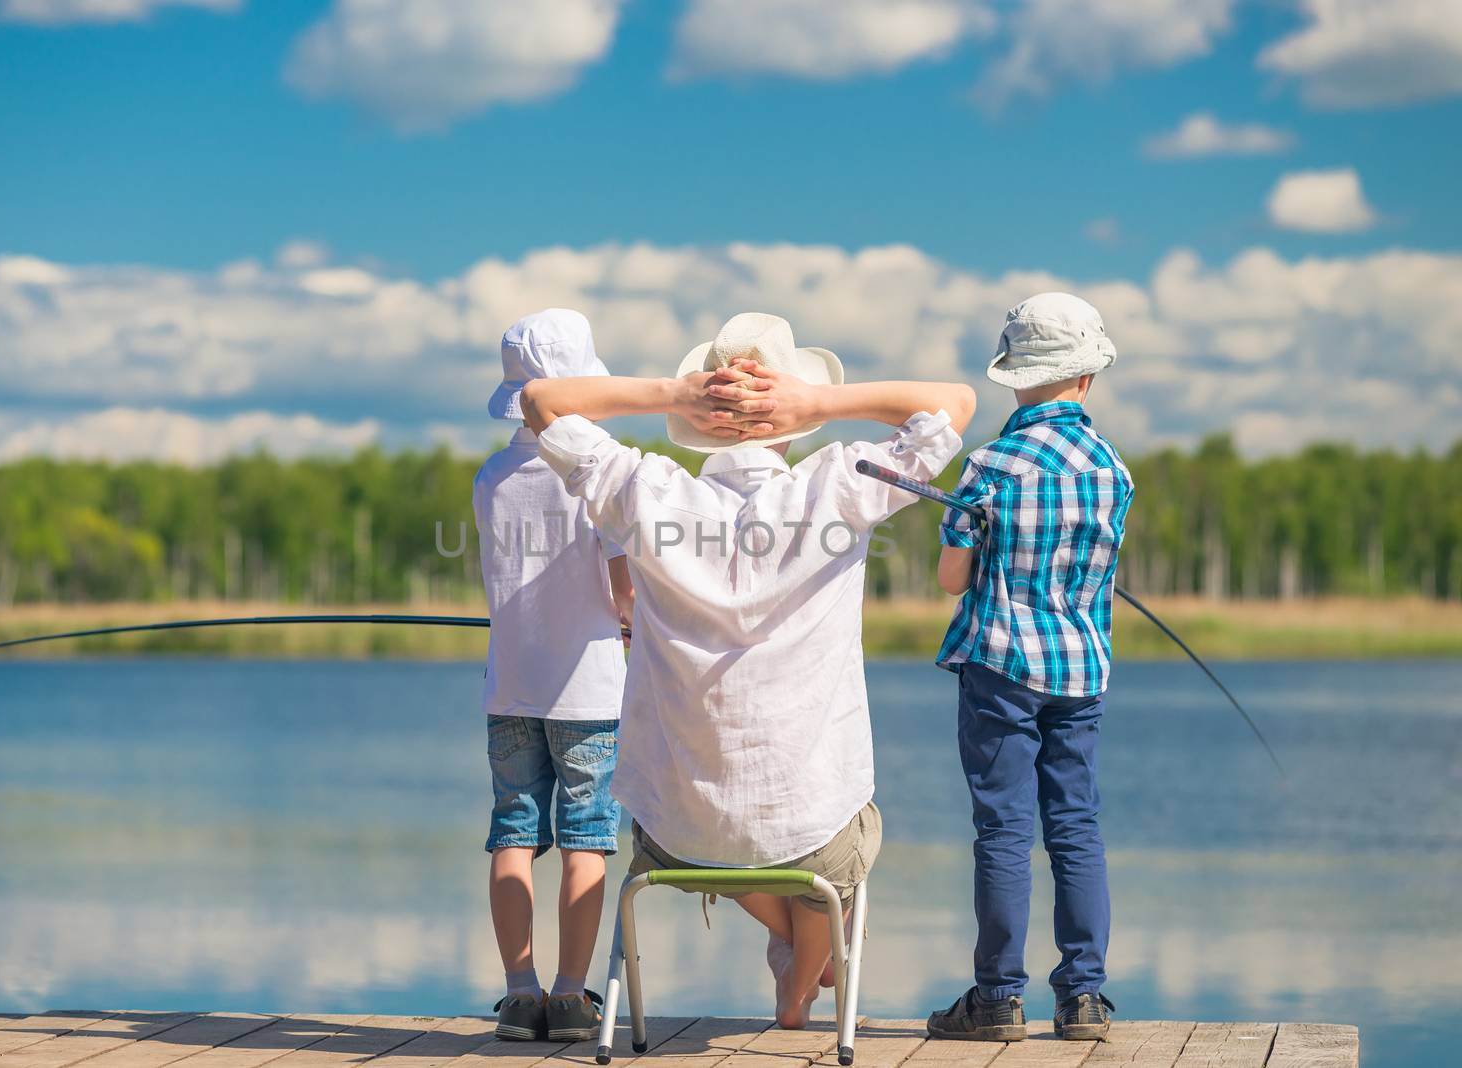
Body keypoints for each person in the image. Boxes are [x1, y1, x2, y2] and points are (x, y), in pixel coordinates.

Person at [521, 312, 975, 1029]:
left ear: (701, 421)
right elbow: (955, 403)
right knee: (840, 840)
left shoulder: (646, 489)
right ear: (790, 418)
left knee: (729, 822)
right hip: (811, 832)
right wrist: (819, 403)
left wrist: (675, 392)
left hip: (675, 837)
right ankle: (799, 977)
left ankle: (791, 949)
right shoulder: (840, 484)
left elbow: (541, 402)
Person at [927, 292, 1134, 1043]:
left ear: (1016, 378)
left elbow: (952, 580)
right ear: (1085, 379)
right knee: (1075, 827)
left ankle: (997, 998)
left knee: (1004, 831)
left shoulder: (989, 464)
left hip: (1000, 667)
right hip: (1082, 671)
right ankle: (1083, 998)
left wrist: (978, 544)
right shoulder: (1113, 470)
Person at [474, 309, 635, 1042]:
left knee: (513, 832)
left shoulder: (491, 478)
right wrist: (630, 623)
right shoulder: (594, 473)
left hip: (510, 685)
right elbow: (622, 587)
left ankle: (517, 992)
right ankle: (571, 996)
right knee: (586, 838)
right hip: (590, 689)